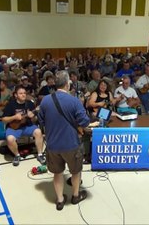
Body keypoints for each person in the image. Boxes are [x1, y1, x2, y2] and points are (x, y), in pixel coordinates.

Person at [38, 71, 97, 211]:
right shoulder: (74, 101)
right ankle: (75, 196)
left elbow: (40, 120)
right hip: (71, 144)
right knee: (75, 172)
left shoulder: (45, 100)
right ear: (67, 84)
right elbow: (84, 122)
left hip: (52, 145)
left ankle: (59, 200)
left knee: (57, 173)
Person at [2, 85, 45, 166]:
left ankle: (40, 154)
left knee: (38, 132)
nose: (23, 95)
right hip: (14, 128)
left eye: (24, 93)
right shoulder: (11, 104)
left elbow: (34, 120)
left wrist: (33, 117)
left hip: (27, 126)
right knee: (10, 139)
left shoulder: (29, 104)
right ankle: (17, 155)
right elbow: (4, 119)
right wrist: (14, 117)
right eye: (20, 93)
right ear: (16, 95)